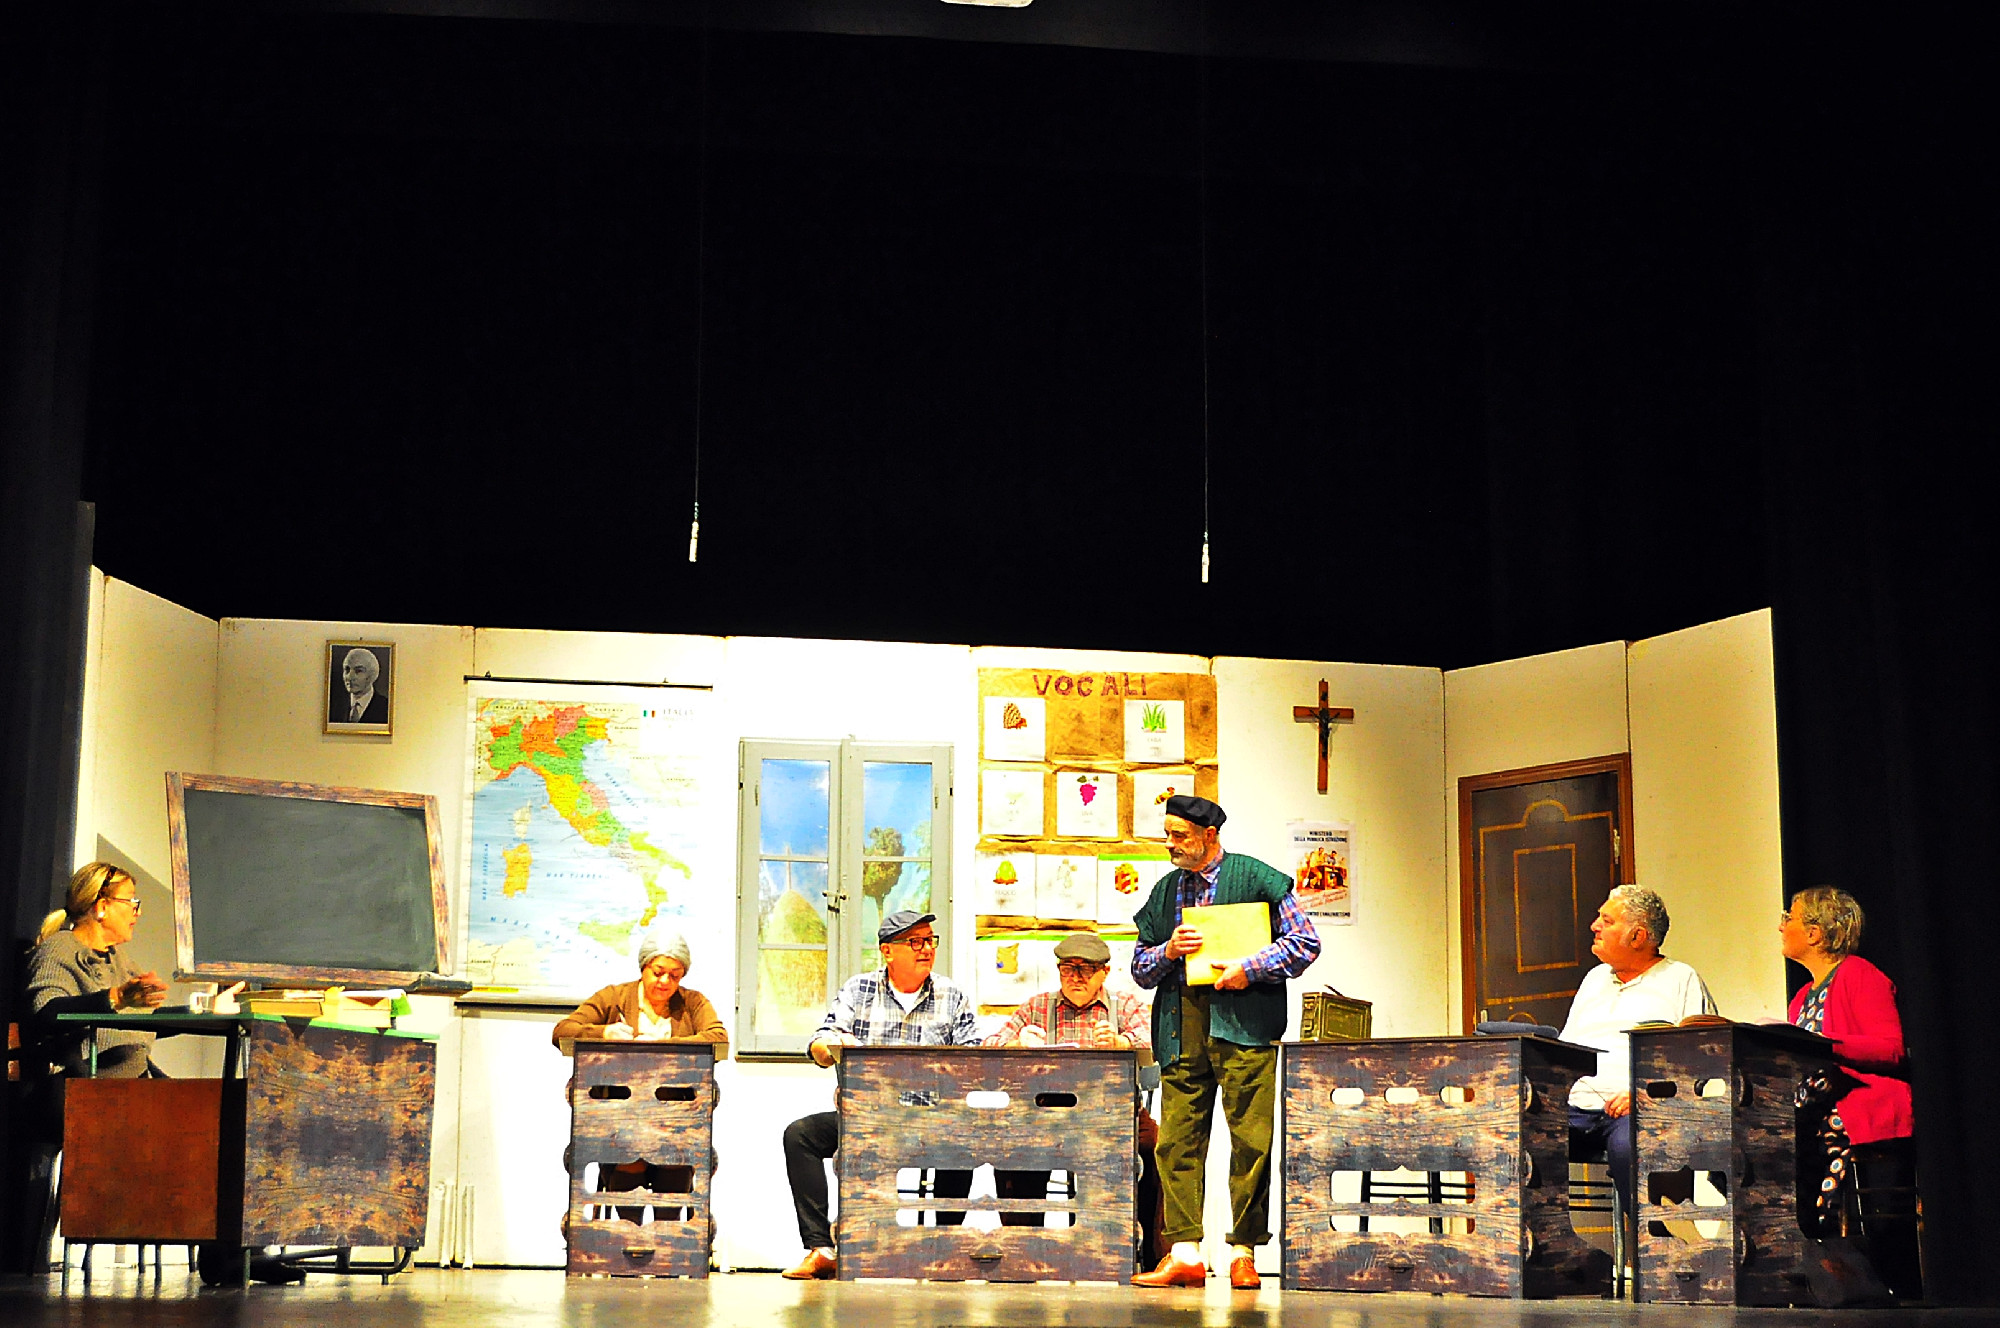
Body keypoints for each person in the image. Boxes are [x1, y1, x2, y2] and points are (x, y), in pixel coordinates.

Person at [1129, 795, 1321, 1290]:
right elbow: (1140, 969)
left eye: (1179, 835)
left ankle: (1243, 1251)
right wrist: (1168, 950)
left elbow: (1304, 943)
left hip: (1245, 1027)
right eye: (1167, 834)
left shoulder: (1257, 879)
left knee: (1251, 1142)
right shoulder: (1165, 890)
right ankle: (1185, 1252)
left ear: (1209, 835)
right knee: (1176, 1142)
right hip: (1181, 1027)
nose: (1170, 844)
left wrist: (1248, 969)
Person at [779, 909, 978, 1280]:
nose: (926, 949)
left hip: (931, 1117)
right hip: (867, 1117)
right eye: (915, 942)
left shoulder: (952, 996)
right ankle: (821, 1249)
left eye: (930, 940)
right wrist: (832, 1045)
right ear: (888, 951)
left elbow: (974, 1057)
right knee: (800, 1135)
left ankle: (944, 1248)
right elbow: (821, 1042)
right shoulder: (859, 990)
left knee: (961, 1139)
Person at [982, 931, 1165, 1264]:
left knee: (1159, 1147)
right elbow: (989, 1046)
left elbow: (1154, 1043)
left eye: (1086, 969)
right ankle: (1022, 1254)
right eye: (1068, 969)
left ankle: (1154, 1258)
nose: (1076, 977)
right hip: (1046, 1115)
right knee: (1011, 1149)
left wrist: (1121, 1042)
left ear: (1104, 973)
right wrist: (1018, 1043)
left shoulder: (1123, 1005)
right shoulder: (1038, 1007)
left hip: (1113, 1115)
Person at [1782, 885, 1918, 1294]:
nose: (1781, 925)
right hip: (1812, 1110)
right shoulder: (1801, 997)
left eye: (1789, 917)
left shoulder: (1859, 974)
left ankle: (1849, 1274)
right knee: (1759, 1145)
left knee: (1802, 1141)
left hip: (1858, 1108)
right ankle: (1798, 1267)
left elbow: (1891, 1049)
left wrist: (1826, 1045)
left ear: (1814, 933)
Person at [1558, 885, 1716, 1197]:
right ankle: (1536, 1228)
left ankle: (1656, 1228)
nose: (1594, 926)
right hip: (1576, 1108)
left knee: (1632, 1146)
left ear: (1637, 936)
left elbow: (1704, 1061)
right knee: (1517, 1137)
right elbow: (1565, 1050)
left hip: (1639, 1108)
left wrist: (1647, 1093)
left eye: (1607, 920)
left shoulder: (1680, 979)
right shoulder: (1594, 980)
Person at [550, 928, 727, 1046]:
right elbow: (562, 1031)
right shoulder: (614, 996)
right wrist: (604, 1033)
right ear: (643, 968)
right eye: (658, 972)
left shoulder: (693, 1002)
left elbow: (719, 1037)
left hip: (678, 1090)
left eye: (675, 975)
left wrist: (661, 1046)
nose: (665, 981)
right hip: (616, 1089)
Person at [330, 646, 389, 724]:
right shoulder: (333, 706)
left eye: (358, 671)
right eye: (347, 669)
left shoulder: (387, 708)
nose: (350, 677)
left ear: (372, 675)